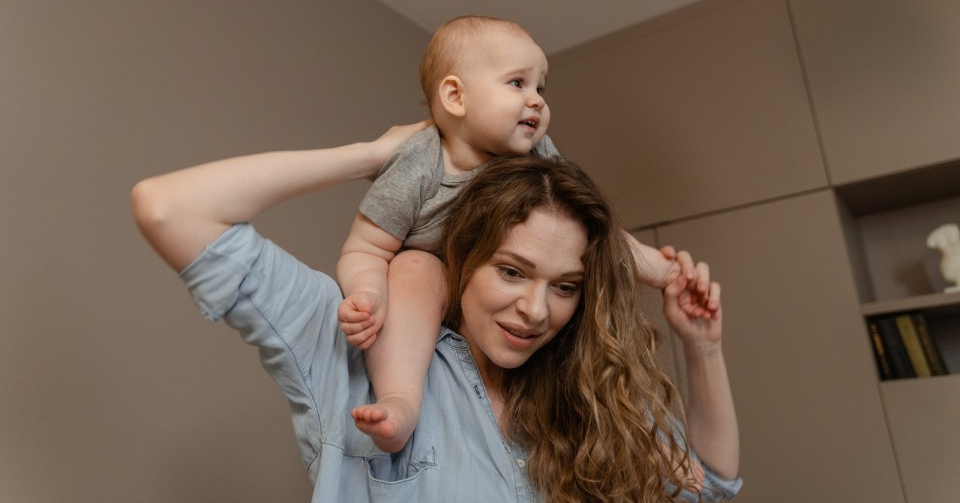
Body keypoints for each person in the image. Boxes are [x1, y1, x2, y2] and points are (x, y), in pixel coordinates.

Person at [131, 123, 741, 502]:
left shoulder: (581, 401)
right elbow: (169, 208)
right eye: (511, 271)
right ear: (461, 256)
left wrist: (702, 348)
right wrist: (375, 155)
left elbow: (708, 487)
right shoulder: (358, 345)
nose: (534, 310)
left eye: (565, 287)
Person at [337, 16, 709, 453]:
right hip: (433, 285)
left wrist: (664, 272)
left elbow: (596, 234)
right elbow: (364, 247)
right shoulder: (418, 163)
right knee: (415, 266)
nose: (536, 101)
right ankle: (401, 401)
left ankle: (651, 446)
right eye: (517, 84)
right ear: (456, 96)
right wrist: (368, 294)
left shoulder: (538, 158)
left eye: (541, 89)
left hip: (491, 306)